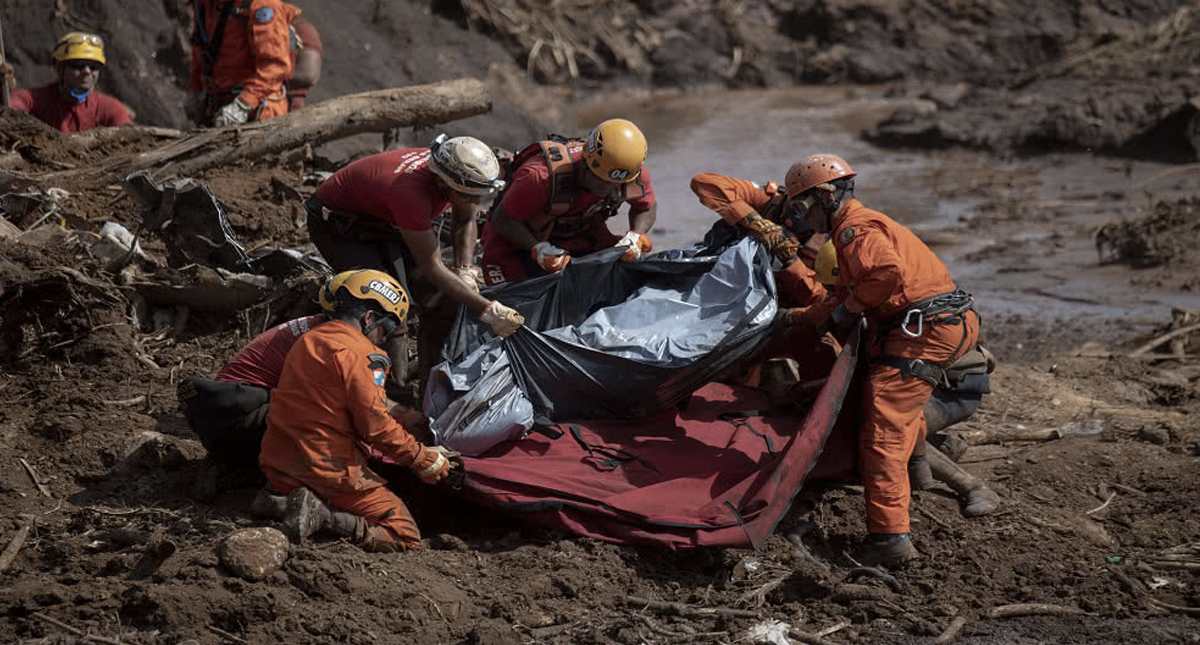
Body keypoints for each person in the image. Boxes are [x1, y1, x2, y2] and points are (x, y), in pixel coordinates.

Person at [783, 154, 981, 566]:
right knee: (899, 404)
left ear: (824, 196)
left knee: (884, 427)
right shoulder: (857, 227)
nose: (803, 218)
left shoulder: (855, 229)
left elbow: (884, 275)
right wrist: (795, 319)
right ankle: (920, 466)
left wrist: (851, 308)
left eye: (802, 206)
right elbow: (841, 298)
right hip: (942, 321)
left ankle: (890, 539)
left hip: (923, 329)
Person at [258, 269, 455, 551]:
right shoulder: (364, 354)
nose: (384, 339)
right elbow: (374, 425)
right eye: (385, 330)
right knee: (406, 535)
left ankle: (279, 503)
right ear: (369, 318)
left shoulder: (308, 341)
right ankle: (322, 517)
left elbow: (338, 400)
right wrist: (422, 459)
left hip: (280, 466)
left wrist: (403, 417)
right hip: (326, 472)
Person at [305, 135, 524, 388]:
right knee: (387, 306)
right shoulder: (410, 194)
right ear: (445, 184)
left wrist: (465, 269)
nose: (475, 202)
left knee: (442, 301)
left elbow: (465, 220)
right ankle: (393, 391)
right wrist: (487, 309)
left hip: (382, 219)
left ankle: (432, 386)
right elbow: (432, 267)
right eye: (469, 196)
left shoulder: (452, 174)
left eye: (479, 195)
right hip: (339, 227)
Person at [811, 239, 1000, 518]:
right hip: (935, 381)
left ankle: (972, 487)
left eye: (835, 289)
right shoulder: (880, 296)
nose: (833, 297)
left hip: (952, 388)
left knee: (890, 425)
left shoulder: (893, 305)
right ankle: (940, 447)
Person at [480, 118, 657, 286]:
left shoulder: (628, 173)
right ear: (587, 163)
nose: (607, 188)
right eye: (601, 180)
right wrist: (538, 249)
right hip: (518, 243)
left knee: (627, 276)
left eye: (615, 183)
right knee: (517, 305)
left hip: (580, 234)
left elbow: (647, 206)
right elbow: (502, 219)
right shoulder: (540, 177)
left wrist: (636, 236)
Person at [187, 0, 299, 127]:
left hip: (259, 112)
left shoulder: (262, 4)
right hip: (219, 107)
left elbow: (275, 65)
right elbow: (201, 46)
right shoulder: (206, 4)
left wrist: (243, 104)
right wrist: (195, 88)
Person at [9, 32, 131, 133]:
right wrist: (3, 90)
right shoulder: (36, 100)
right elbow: (14, 106)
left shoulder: (109, 108)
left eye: (94, 66)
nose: (87, 72)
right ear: (60, 68)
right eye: (78, 65)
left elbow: (128, 139)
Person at [286, 17, 322, 111]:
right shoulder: (248, 26)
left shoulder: (299, 28)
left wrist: (264, 80)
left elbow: (308, 75)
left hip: (285, 109)